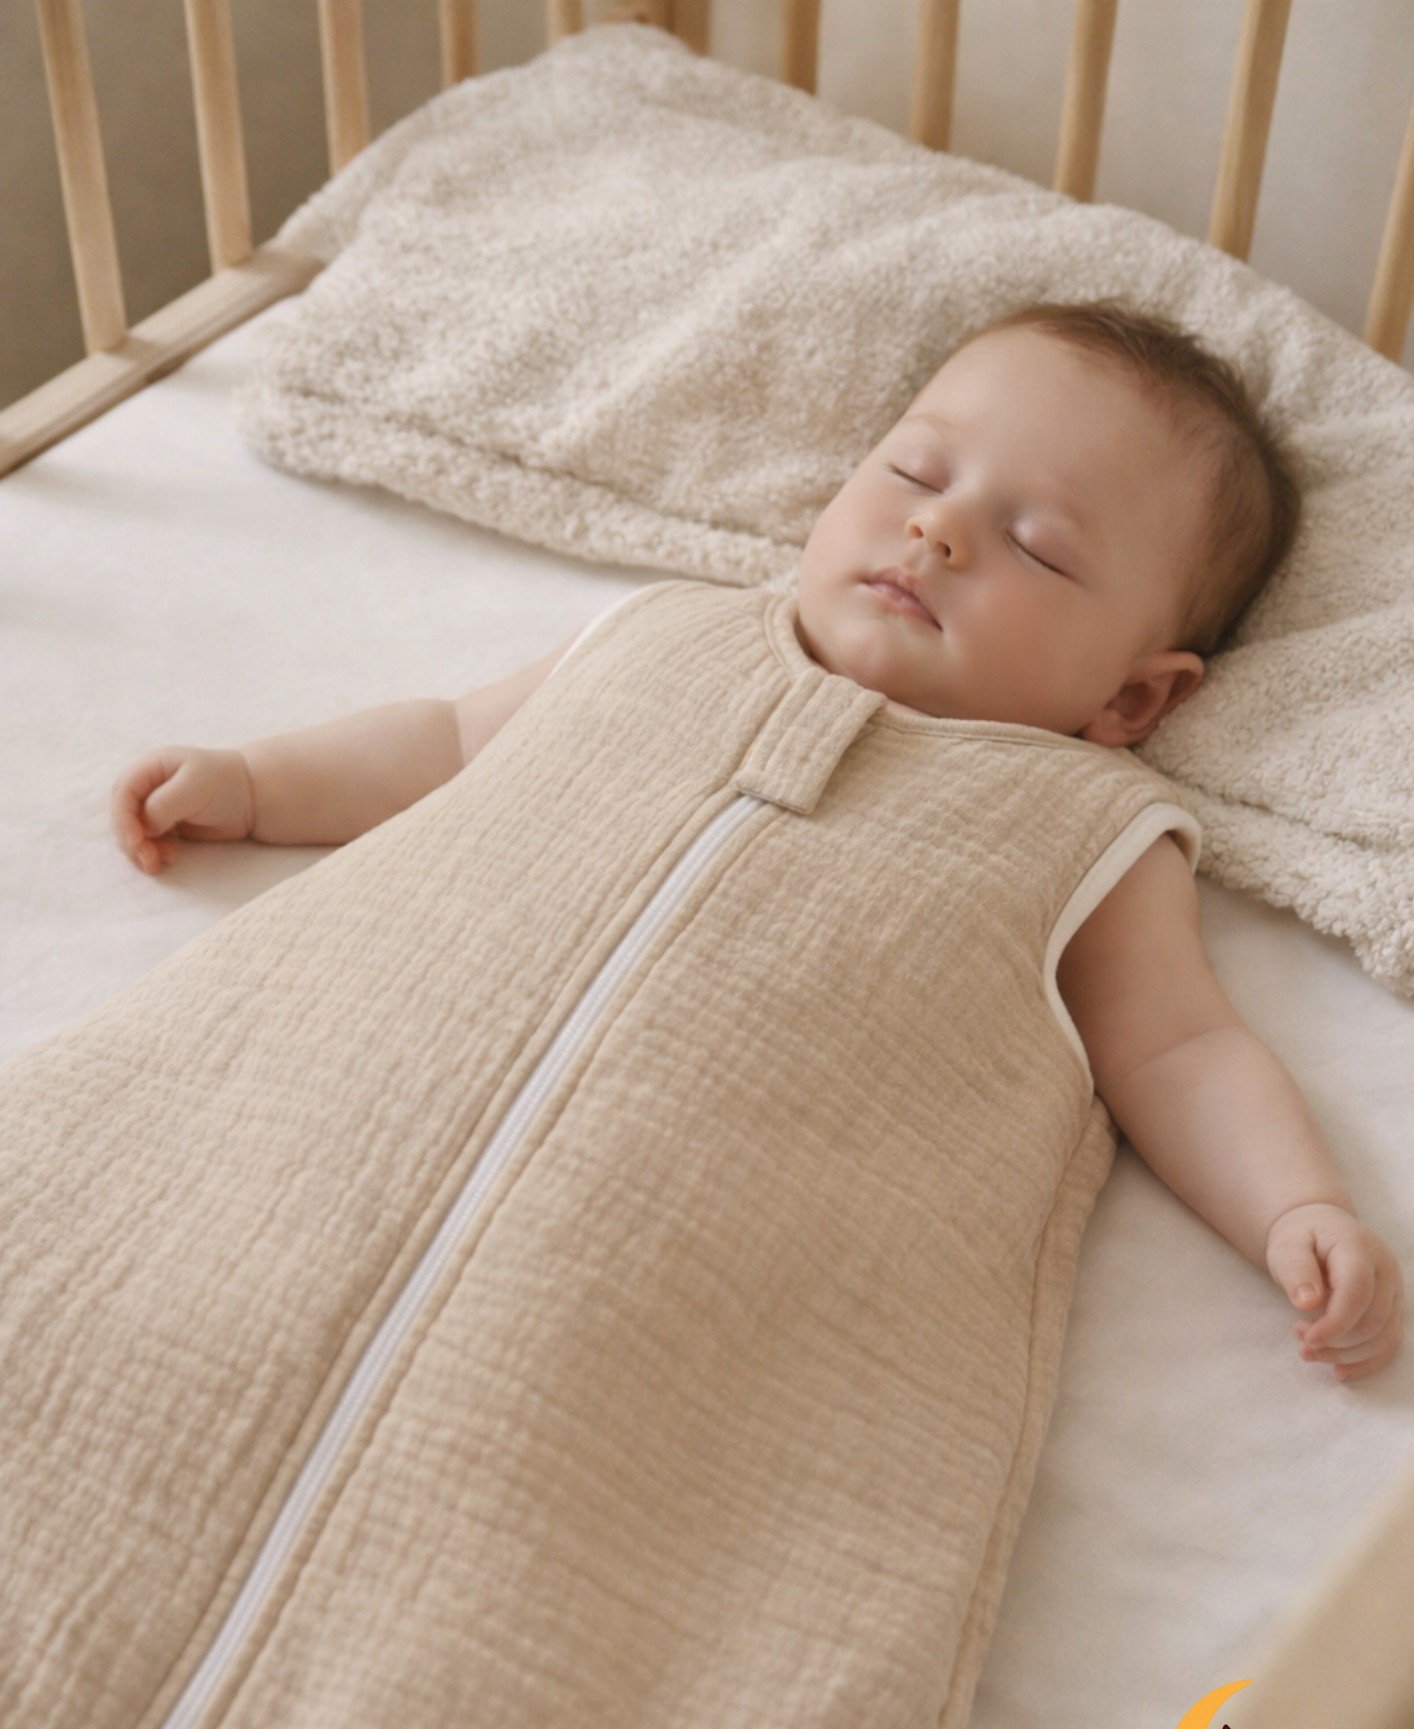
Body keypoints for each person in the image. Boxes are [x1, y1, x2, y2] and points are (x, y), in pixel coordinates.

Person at [109, 299, 1405, 1383]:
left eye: (1036, 547)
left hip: (694, 1235)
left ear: (1130, 699)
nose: (938, 528)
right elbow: (450, 743)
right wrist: (257, 783)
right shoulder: (669, 632)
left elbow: (1178, 1050)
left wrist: (1295, 1206)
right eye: (915, 473)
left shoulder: (1088, 827)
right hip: (388, 1089)